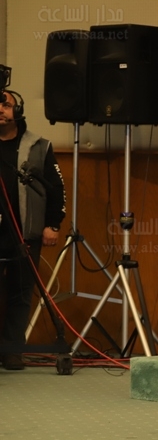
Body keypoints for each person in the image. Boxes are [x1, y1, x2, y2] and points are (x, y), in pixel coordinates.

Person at [0, 89, 66, 370]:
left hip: (24, 233)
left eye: (5, 105)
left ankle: (13, 350)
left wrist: (52, 224)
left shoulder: (39, 146)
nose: (0, 109)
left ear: (18, 110)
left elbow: (56, 189)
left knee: (20, 292)